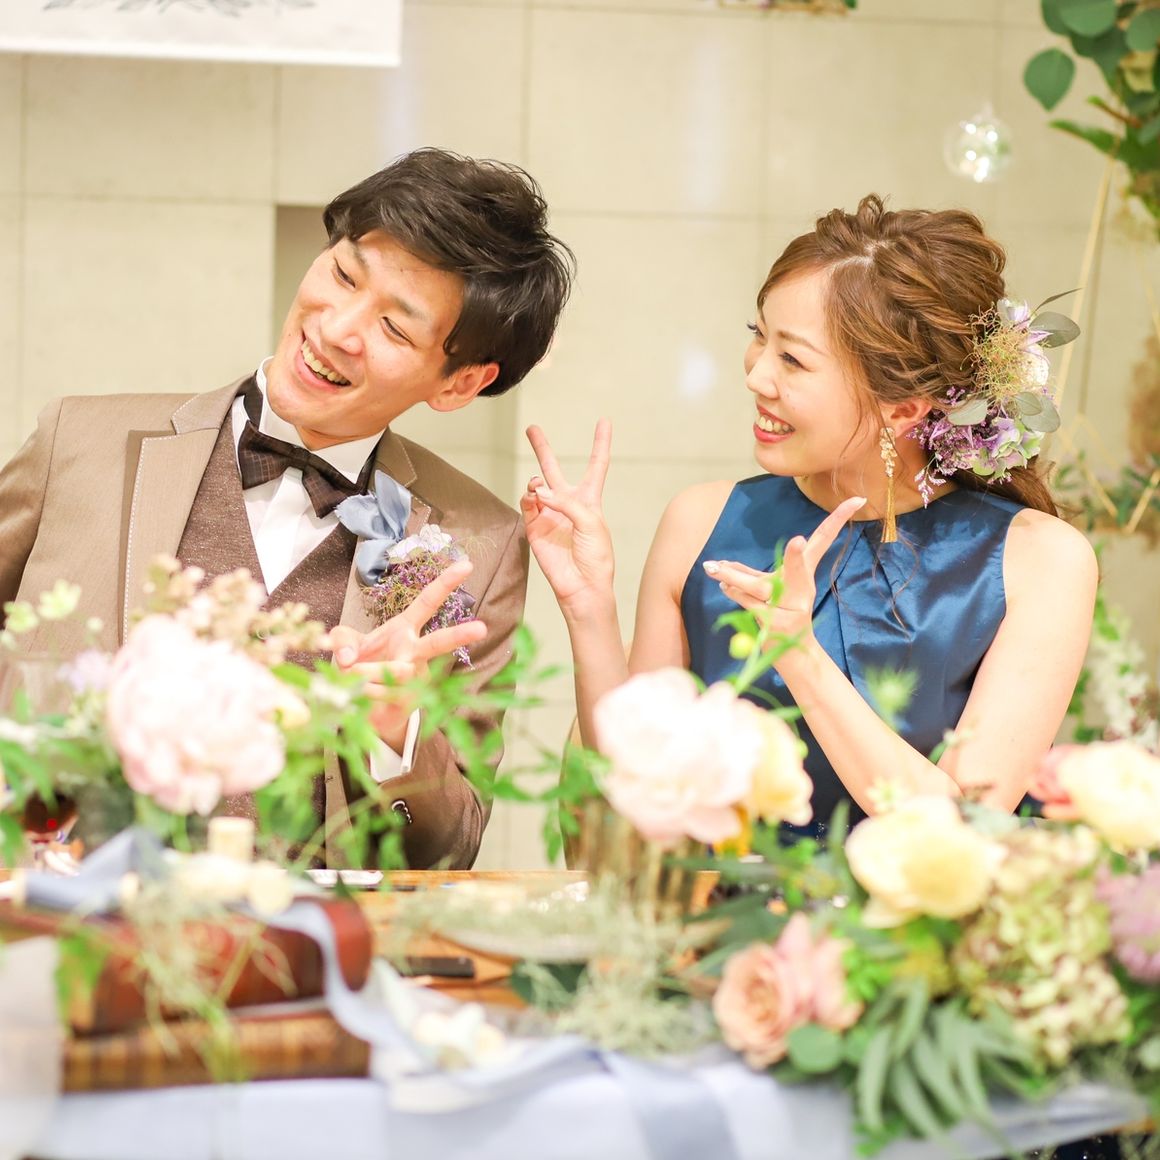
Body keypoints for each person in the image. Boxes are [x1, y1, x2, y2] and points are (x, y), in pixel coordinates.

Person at [0, 147, 575, 869]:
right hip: (53, 920)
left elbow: (447, 852)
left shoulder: (475, 543)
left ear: (458, 383)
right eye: (343, 275)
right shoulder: (79, 444)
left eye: (395, 328)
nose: (336, 329)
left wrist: (397, 733)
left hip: (305, 939)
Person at [523, 195, 1097, 833]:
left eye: (793, 359)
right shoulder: (700, 522)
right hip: (720, 896)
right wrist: (588, 607)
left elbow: (963, 825)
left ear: (903, 408)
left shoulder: (1040, 559)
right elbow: (629, 799)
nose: (756, 376)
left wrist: (798, 655)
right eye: (758, 336)